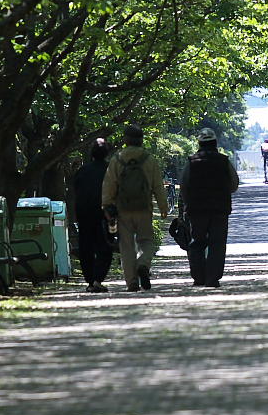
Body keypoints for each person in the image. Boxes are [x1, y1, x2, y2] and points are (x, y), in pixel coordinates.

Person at [101, 124, 168, 292]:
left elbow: (109, 185)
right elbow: (158, 185)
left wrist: (107, 205)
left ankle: (131, 282)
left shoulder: (118, 159)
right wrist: (163, 206)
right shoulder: (149, 159)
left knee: (127, 246)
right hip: (144, 208)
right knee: (146, 241)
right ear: (141, 140)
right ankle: (143, 264)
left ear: (125, 140)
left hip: (123, 210)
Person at [180, 127, 240, 287]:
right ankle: (212, 278)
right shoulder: (223, 160)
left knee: (197, 243)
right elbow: (234, 184)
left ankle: (198, 277)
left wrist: (187, 204)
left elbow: (184, 185)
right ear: (215, 142)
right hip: (219, 209)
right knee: (217, 244)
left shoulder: (191, 161)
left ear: (199, 143)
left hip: (196, 209)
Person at [70, 138, 112, 293]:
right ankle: (97, 278)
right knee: (105, 246)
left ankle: (90, 280)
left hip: (84, 213)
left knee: (85, 246)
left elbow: (76, 190)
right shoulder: (110, 170)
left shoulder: (82, 171)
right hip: (104, 214)